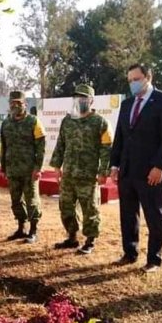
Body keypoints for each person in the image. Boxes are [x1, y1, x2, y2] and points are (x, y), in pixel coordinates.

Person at [110, 63, 162, 273]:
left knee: (154, 215)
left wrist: (159, 166)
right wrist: (114, 164)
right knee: (128, 214)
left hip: (151, 172)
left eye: (136, 79)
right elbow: (120, 137)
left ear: (148, 77)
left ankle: (154, 259)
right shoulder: (127, 103)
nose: (132, 83)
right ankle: (129, 252)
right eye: (129, 80)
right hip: (128, 170)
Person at [50, 84, 112, 255]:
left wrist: (103, 172)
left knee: (90, 209)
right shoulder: (67, 120)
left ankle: (90, 240)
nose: (80, 100)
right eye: (77, 97)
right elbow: (60, 144)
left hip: (88, 175)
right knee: (66, 207)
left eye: (84, 98)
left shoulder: (100, 122)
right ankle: (72, 238)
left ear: (91, 100)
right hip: (69, 174)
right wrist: (57, 166)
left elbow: (106, 149)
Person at [0, 90, 46, 244]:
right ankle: (21, 228)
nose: (15, 105)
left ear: (24, 104)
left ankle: (33, 230)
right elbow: (4, 147)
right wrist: (3, 167)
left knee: (32, 200)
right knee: (16, 201)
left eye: (18, 103)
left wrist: (38, 168)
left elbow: (41, 147)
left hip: (29, 170)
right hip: (12, 169)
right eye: (12, 103)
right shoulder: (6, 123)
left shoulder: (34, 122)